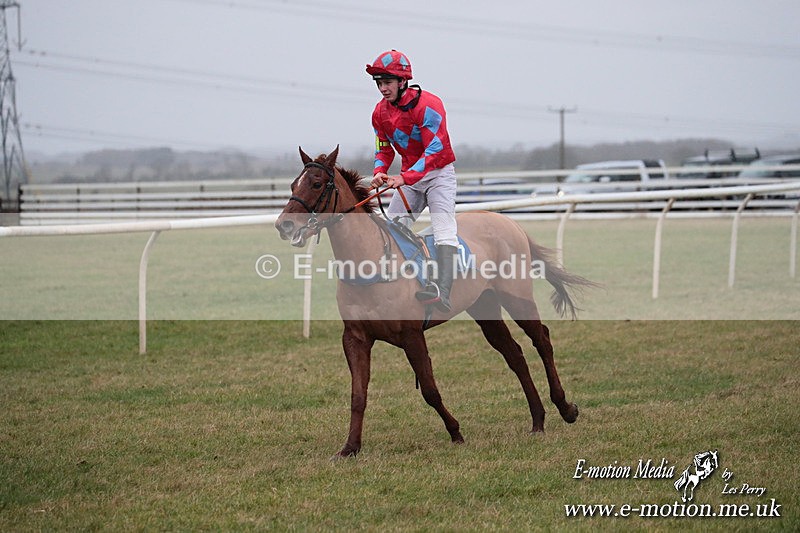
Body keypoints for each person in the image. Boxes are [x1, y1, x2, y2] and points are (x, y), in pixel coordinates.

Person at [366, 49, 458, 312]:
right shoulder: (379, 113)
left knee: (443, 230)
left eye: (387, 82)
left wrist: (404, 177)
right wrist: (379, 171)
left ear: (402, 81)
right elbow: (383, 148)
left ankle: (443, 291)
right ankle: (395, 287)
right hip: (409, 180)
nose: (383, 89)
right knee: (392, 229)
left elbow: (435, 150)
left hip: (438, 175)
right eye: (379, 83)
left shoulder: (429, 105)